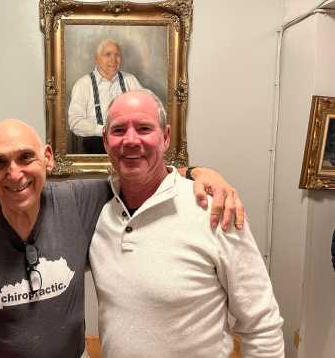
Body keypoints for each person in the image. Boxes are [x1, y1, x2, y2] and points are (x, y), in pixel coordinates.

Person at [0, 120, 244, 358]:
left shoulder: (79, 201)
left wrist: (201, 173)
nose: (14, 173)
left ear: (47, 158)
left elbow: (148, 178)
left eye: (26, 157)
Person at [89, 89, 284, 357]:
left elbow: (262, 323)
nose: (131, 140)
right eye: (119, 130)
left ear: (166, 137)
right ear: (105, 141)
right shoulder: (94, 211)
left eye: (144, 128)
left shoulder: (214, 208)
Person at [68, 39, 142, 154]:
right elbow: (75, 122)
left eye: (117, 55)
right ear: (97, 59)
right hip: (96, 146)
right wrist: (104, 130)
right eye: (108, 54)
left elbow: (146, 110)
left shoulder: (130, 80)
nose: (113, 60)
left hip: (129, 143)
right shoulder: (83, 85)